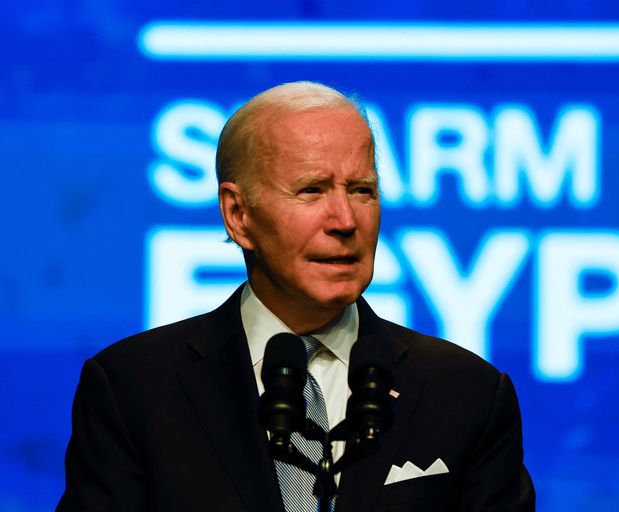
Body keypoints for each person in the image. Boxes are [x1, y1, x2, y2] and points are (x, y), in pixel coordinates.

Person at [57, 81, 534, 511]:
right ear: (238, 214)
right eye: (312, 190)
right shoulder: (133, 388)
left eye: (363, 190)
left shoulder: (465, 392)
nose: (346, 220)